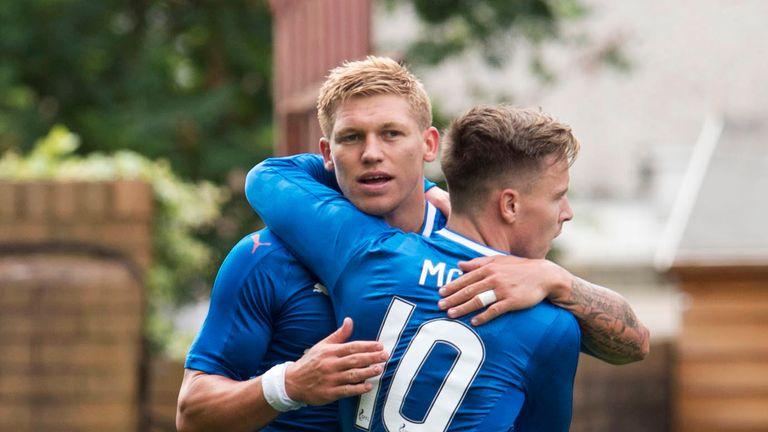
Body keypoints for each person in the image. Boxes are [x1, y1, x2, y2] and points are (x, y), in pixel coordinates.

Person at [178, 56, 648, 431]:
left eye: (390, 134)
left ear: (427, 145)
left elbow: (628, 345)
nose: (371, 153)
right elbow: (192, 414)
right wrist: (289, 384)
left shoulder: (511, 276)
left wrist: (554, 278)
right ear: (326, 153)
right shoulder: (266, 259)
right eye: (350, 138)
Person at [246, 104, 595, 430]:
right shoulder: (553, 324)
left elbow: (268, 176)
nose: (567, 212)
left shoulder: (368, 252)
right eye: (557, 196)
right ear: (509, 205)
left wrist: (419, 183)